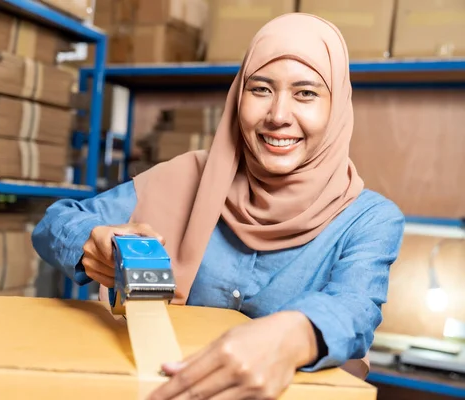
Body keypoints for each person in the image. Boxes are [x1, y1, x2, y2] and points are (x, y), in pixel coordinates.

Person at [32, 12, 405, 400]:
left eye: (305, 93)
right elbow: (54, 222)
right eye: (260, 89)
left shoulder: (369, 218)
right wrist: (92, 242)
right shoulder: (186, 175)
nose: (278, 116)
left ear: (337, 106)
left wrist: (294, 335)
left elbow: (355, 308)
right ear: (238, 96)